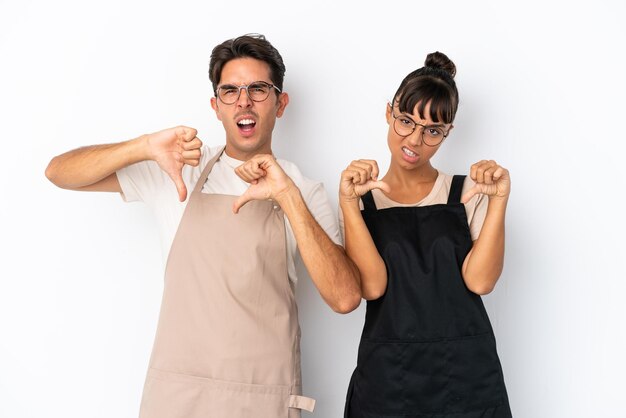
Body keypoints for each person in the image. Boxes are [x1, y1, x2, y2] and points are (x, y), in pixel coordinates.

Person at [45, 34, 361, 418]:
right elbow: (59, 172)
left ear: (281, 104)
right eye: (230, 91)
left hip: (262, 401)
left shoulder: (304, 191)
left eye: (258, 89)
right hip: (177, 400)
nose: (244, 101)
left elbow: (345, 298)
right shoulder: (179, 170)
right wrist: (143, 146)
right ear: (216, 106)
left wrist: (287, 196)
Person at [339, 52, 512, 417]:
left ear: (447, 132)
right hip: (388, 379)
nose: (415, 140)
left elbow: (480, 282)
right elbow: (372, 287)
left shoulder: (467, 193)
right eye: (405, 121)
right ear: (389, 112)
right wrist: (347, 203)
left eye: (432, 130)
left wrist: (499, 201)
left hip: (467, 378)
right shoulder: (361, 198)